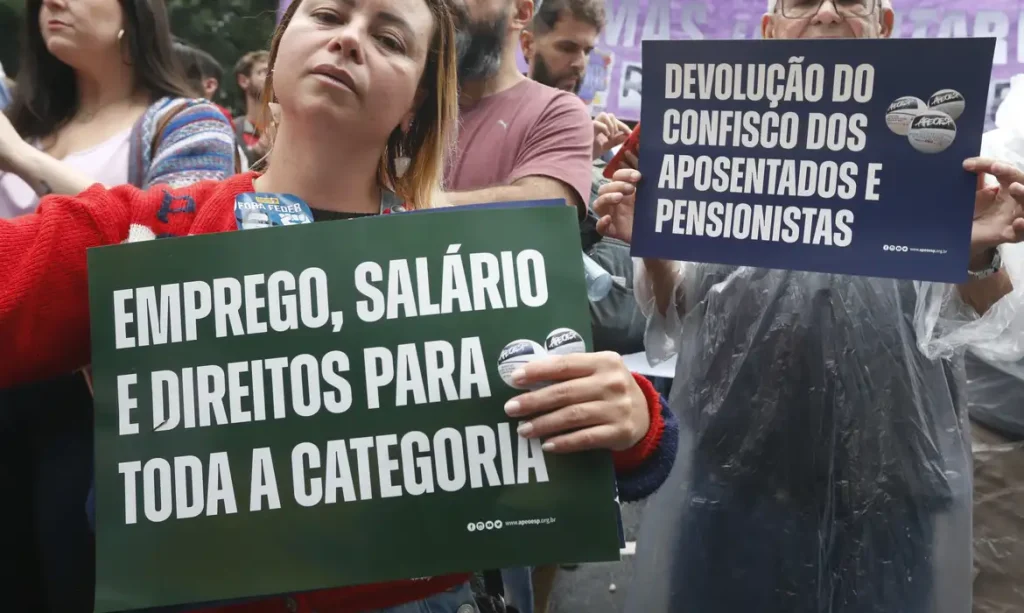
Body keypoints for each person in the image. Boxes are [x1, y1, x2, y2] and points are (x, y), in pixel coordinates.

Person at [0, 1, 677, 612]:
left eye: (388, 37)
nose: (350, 41)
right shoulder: (148, 232)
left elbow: (598, 431)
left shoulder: (473, 273)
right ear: (281, 48)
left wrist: (633, 416)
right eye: (329, 17)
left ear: (417, 101)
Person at [594, 1, 1024, 612]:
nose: (825, 12)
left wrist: (974, 249)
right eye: (800, 1)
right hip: (736, 483)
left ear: (885, 25)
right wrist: (656, 248)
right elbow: (680, 316)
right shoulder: (717, 146)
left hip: (893, 489)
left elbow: (985, 321)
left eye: (849, 0)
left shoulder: (934, 152)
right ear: (770, 30)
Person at [0, 0, 235, 608]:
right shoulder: (24, 121)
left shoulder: (186, 122)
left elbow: (180, 239)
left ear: (136, 13)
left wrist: (24, 160)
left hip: (101, 418)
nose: (51, 3)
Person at [233, 50, 270, 165]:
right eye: (264, 72)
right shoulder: (232, 131)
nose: (273, 77)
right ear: (244, 81)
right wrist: (255, 153)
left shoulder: (290, 129)